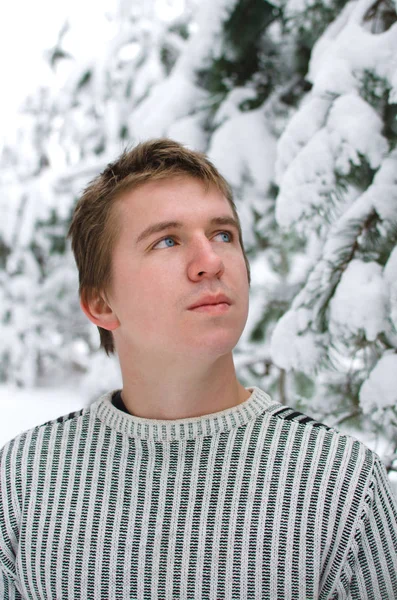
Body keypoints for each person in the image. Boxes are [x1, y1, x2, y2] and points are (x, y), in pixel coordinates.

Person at [0, 138, 396, 600]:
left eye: (223, 235)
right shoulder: (24, 480)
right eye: (167, 240)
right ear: (100, 303)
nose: (210, 262)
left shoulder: (340, 484)